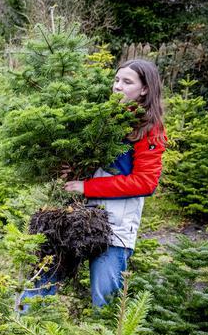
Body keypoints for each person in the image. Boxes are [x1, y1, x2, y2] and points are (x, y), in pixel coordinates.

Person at [20, 59, 167, 309]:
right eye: (117, 80)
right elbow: (92, 163)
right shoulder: (104, 119)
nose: (118, 87)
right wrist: (74, 172)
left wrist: (88, 187)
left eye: (127, 82)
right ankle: (21, 326)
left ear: (145, 89)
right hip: (75, 216)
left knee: (105, 297)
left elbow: (146, 182)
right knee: (46, 275)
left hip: (114, 225)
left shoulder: (149, 129)